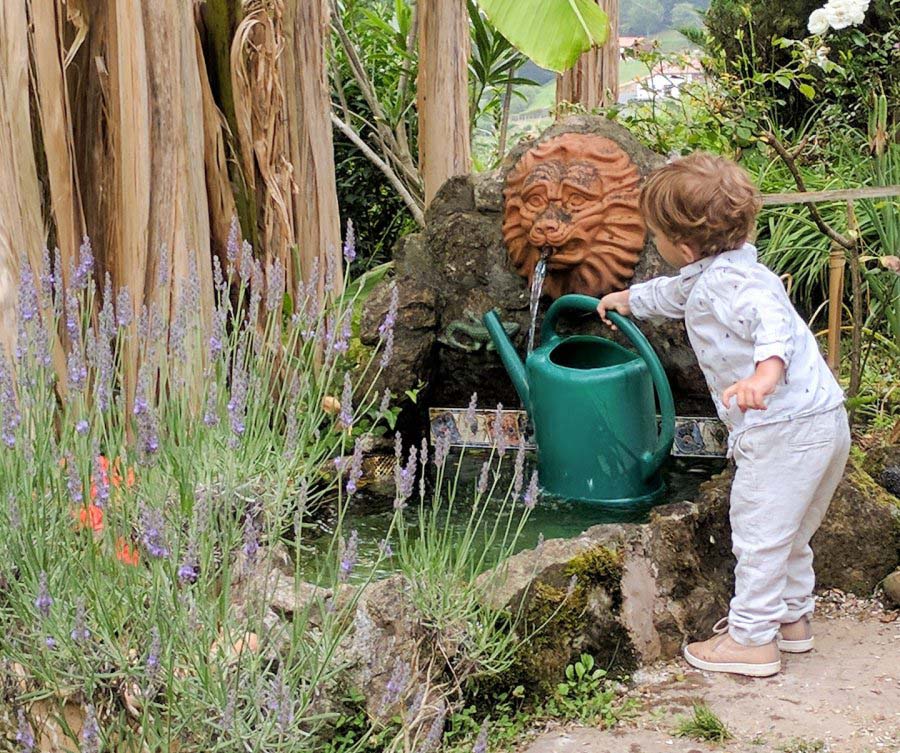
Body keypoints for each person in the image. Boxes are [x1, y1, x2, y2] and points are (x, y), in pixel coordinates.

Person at [597, 152, 849, 677]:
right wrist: (629, 299)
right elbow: (675, 292)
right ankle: (791, 620)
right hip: (821, 420)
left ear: (682, 244)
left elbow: (771, 324)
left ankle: (752, 641)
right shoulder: (724, 270)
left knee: (757, 531)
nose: (654, 243)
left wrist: (764, 375)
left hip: (782, 429)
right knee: (790, 530)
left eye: (656, 235)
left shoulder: (738, 286)